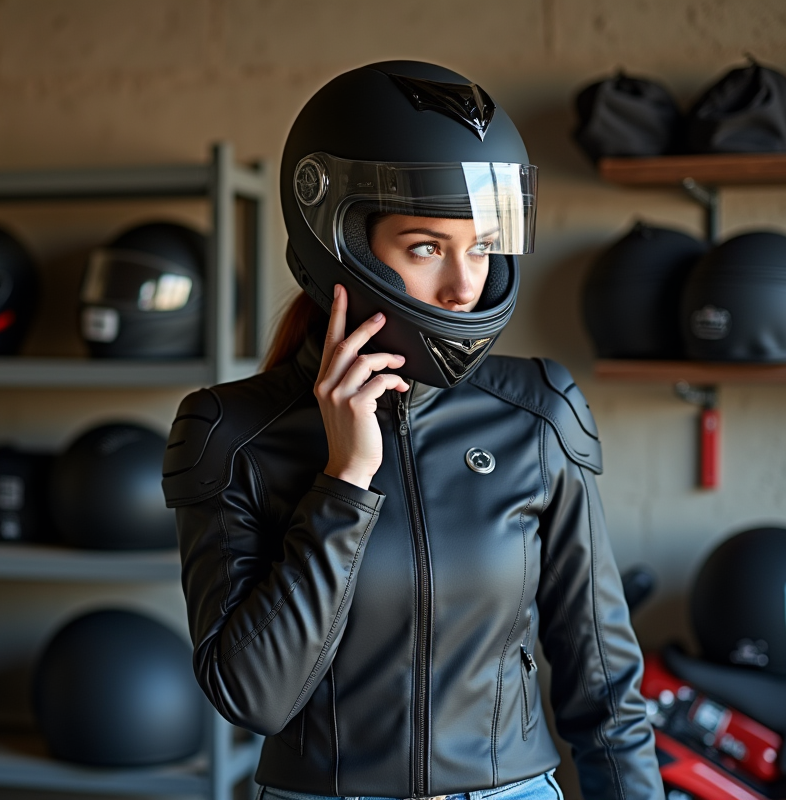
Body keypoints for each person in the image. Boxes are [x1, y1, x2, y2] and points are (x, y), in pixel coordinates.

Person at [162, 61, 661, 800]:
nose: (465, 285)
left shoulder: (539, 412)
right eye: (427, 247)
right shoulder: (229, 432)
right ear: (344, 246)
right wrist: (344, 483)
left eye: (482, 245)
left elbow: (605, 684)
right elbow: (252, 695)